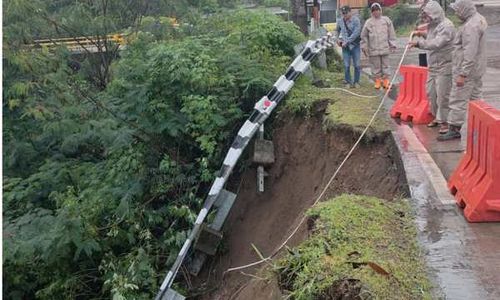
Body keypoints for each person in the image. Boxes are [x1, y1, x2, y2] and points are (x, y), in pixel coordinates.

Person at [437, 0, 488, 141]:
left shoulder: (470, 27)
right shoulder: (478, 19)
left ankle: (454, 128)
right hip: (476, 70)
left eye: (458, 10)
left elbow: (469, 52)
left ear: (465, 9)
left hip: (467, 71)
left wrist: (462, 74)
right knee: (476, 98)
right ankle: (482, 125)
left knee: (457, 99)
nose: (457, 13)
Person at [409, 1, 456, 134]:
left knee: (443, 95)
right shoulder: (432, 25)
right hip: (433, 66)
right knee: (431, 93)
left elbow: (436, 43)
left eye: (427, 15)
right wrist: (421, 34)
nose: (426, 18)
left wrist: (418, 43)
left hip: (444, 65)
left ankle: (445, 122)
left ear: (435, 13)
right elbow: (431, 36)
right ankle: (437, 117)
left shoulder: (447, 26)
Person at [361, 2, 397, 90]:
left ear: (380, 10)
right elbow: (363, 36)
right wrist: (364, 47)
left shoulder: (386, 20)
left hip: (384, 48)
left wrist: (393, 44)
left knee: (386, 65)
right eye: (374, 11)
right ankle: (377, 81)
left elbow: (391, 33)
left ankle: (386, 81)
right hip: (373, 49)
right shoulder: (368, 22)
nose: (376, 12)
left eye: (377, 10)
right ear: (371, 12)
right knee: (375, 66)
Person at [336, 5, 362, 88]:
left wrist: (346, 41)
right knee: (346, 65)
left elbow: (356, 33)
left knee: (357, 65)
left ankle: (356, 81)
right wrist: (338, 40)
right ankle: (348, 81)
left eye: (346, 13)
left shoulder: (356, 20)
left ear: (350, 12)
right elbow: (337, 30)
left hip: (355, 46)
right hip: (345, 47)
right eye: (343, 13)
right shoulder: (340, 21)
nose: (345, 15)